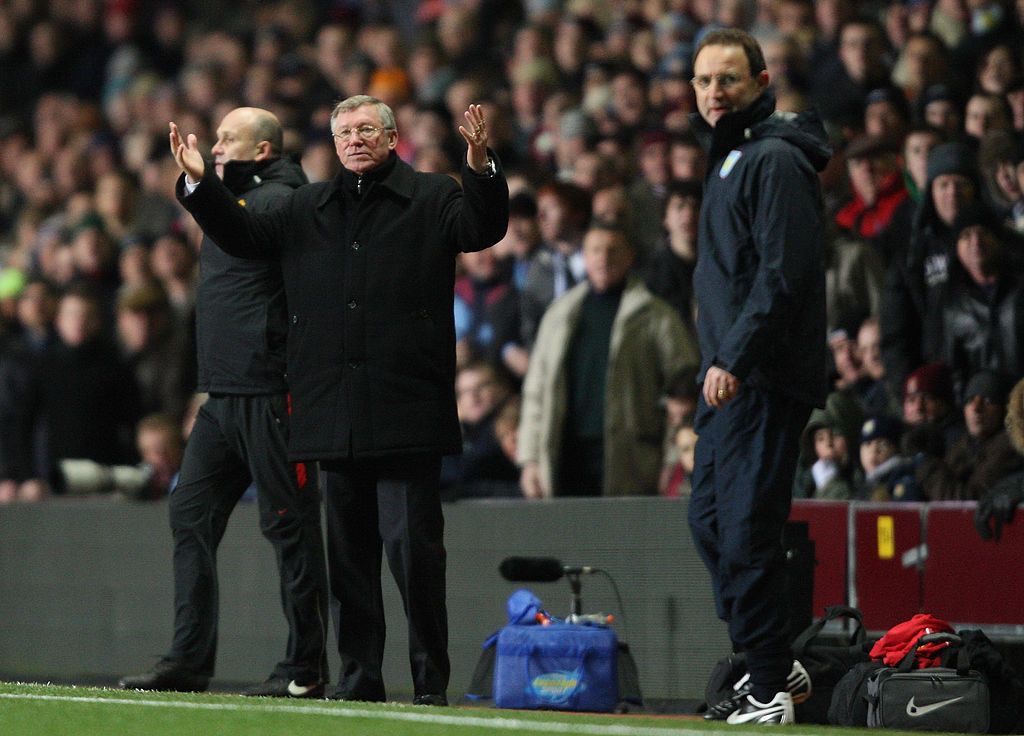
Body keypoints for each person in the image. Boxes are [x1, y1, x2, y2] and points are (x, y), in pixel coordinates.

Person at [170, 96, 509, 705]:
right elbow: (242, 235)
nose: (354, 139)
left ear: (391, 136)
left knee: (414, 559)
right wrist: (199, 182)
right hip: (335, 411)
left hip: (406, 407)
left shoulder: (432, 196)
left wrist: (479, 163)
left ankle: (430, 685)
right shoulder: (308, 206)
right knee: (350, 566)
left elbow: (482, 229)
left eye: (366, 130)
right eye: (344, 131)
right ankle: (360, 684)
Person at [119, 107, 331, 699]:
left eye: (226, 139)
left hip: (272, 391)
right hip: (223, 396)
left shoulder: (283, 198)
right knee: (189, 512)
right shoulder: (231, 202)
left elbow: (243, 229)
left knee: (288, 527)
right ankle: (188, 659)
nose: (214, 146)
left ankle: (305, 667)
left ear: (262, 151)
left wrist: (198, 187)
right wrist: (200, 389)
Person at [686, 29, 829, 725]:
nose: (715, 92)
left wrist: (733, 359)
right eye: (705, 80)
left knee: (745, 531)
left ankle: (770, 685)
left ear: (762, 81)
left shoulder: (772, 161)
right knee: (709, 521)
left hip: (760, 379)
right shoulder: (729, 158)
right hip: (727, 380)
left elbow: (782, 276)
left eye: (729, 80)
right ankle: (773, 662)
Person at [517, 222, 698, 498]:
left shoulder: (656, 316)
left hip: (633, 459)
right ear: (584, 256)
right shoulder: (560, 314)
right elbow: (536, 390)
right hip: (565, 456)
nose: (603, 258)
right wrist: (530, 458)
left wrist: (673, 461)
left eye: (613, 250)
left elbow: (682, 392)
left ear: (630, 256)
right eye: (596, 250)